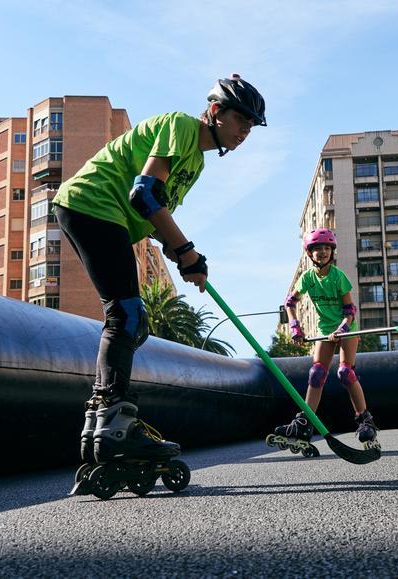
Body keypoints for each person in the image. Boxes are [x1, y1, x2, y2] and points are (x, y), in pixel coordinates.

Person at [55, 74, 266, 493]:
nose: (244, 131)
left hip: (102, 214)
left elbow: (153, 216)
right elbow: (145, 194)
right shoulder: (182, 127)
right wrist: (186, 250)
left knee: (131, 319)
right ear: (215, 112)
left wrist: (185, 257)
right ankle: (114, 425)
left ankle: (102, 421)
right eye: (240, 119)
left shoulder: (197, 162)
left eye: (251, 125)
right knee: (127, 315)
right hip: (94, 205)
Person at [270, 228, 379, 453]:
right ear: (310, 253)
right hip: (324, 330)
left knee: (345, 373)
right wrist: (294, 326)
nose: (322, 252)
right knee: (317, 373)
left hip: (346, 329)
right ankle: (304, 422)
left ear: (332, 251)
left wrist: (342, 328)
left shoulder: (338, 277)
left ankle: (365, 420)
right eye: (317, 249)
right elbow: (290, 303)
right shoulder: (307, 278)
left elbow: (350, 310)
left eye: (326, 248)